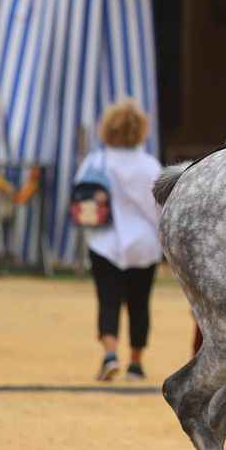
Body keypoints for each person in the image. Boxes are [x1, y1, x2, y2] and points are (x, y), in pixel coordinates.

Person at [78, 99, 164, 381]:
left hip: (104, 242)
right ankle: (136, 364)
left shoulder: (96, 160)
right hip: (144, 245)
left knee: (108, 301)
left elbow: (80, 194)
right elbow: (159, 207)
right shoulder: (148, 164)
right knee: (140, 303)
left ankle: (110, 355)